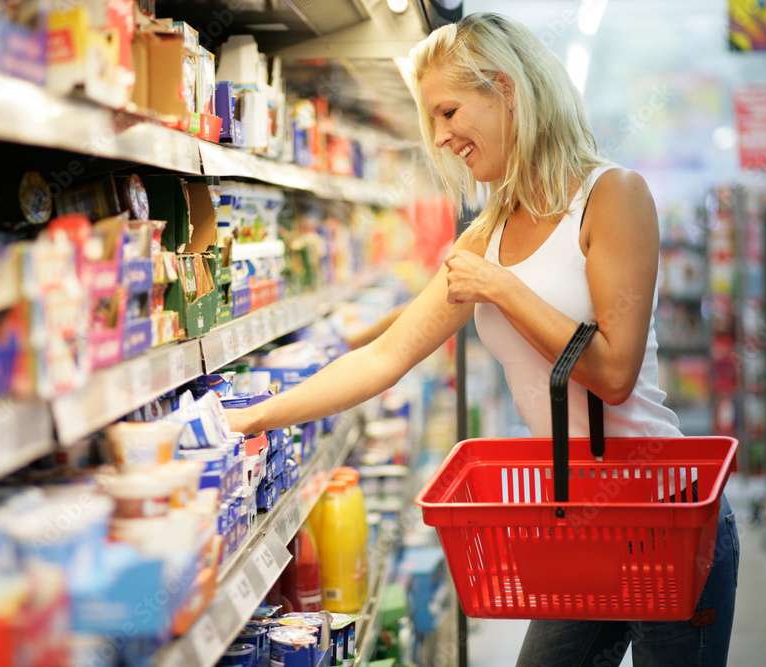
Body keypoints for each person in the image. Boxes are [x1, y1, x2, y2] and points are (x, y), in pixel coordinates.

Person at [227, 13, 739, 667]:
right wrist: (251, 416)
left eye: (448, 111)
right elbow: (385, 357)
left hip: (667, 518)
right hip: (582, 517)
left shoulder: (612, 197)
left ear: (504, 88)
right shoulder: (486, 234)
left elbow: (613, 370)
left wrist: (503, 289)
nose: (441, 139)